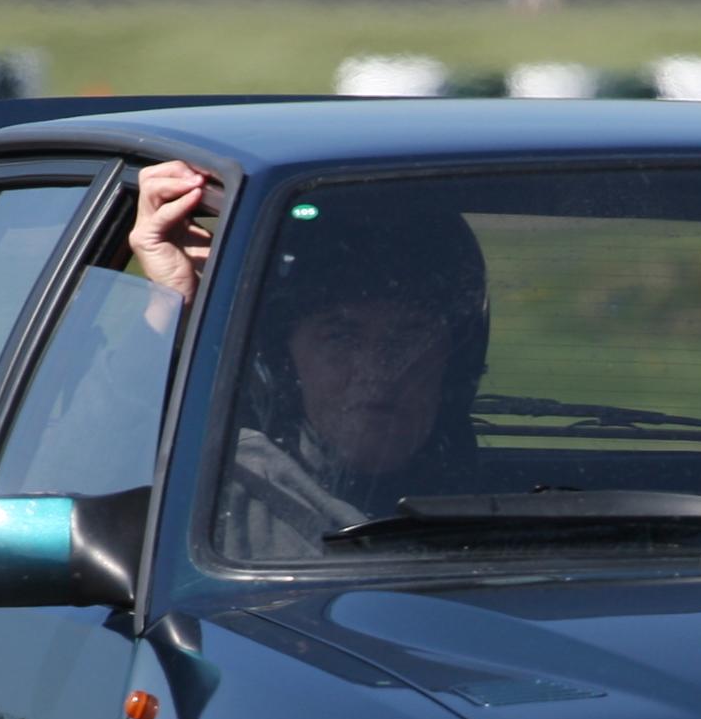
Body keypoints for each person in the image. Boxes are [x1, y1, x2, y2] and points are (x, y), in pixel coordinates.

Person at [134, 161, 494, 558]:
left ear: (455, 361)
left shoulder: (525, 518)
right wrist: (170, 308)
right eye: (340, 337)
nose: (376, 370)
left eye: (408, 339)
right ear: (283, 362)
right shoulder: (221, 498)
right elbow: (99, 470)